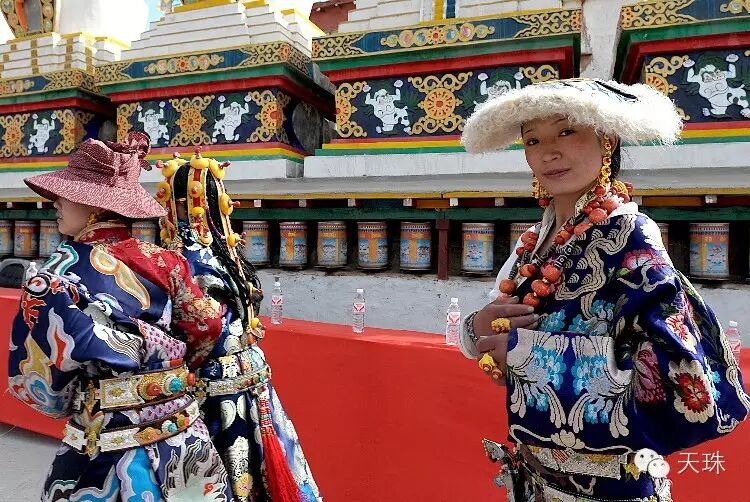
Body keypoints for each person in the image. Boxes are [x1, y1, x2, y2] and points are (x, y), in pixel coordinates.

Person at [458, 79, 750, 501]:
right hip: (534, 479)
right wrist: (478, 327)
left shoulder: (631, 237)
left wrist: (528, 357)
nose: (548, 152)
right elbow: (495, 335)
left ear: (606, 140)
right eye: (533, 139)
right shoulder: (535, 241)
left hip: (614, 486)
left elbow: (678, 376)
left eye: (566, 131)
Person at [8, 132, 234, 500]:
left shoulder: (55, 275)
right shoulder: (168, 261)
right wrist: (163, 371)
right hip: (179, 434)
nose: (55, 203)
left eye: (65, 195)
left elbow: (42, 387)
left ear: (94, 206)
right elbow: (207, 327)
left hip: (106, 442)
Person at [155, 149, 321, 502]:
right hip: (250, 370)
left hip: (210, 383)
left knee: (219, 472)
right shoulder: (227, 251)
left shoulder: (182, 258)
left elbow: (204, 326)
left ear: (179, 204)